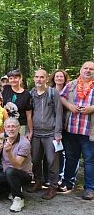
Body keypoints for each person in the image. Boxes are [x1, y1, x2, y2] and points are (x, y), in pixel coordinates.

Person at [59, 61, 94, 200]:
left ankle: (90, 188)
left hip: (89, 131)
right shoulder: (72, 84)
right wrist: (69, 105)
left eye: (91, 69)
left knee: (90, 160)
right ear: (81, 70)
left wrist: (92, 108)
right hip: (71, 129)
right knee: (71, 157)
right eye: (85, 68)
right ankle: (68, 183)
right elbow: (61, 97)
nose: (88, 70)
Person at [0, 118, 33, 212]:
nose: (11, 129)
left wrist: (9, 152)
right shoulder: (3, 139)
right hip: (5, 172)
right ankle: (11, 189)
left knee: (11, 171)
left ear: (18, 128)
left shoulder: (25, 143)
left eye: (13, 126)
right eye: (8, 127)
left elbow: (17, 164)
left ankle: (18, 198)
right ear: (5, 129)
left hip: (22, 174)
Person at [28, 69, 62, 200]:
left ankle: (52, 187)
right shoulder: (31, 94)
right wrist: (28, 132)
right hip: (35, 133)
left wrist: (57, 133)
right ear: (34, 78)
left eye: (42, 77)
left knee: (52, 161)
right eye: (36, 77)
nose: (39, 79)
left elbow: (58, 114)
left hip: (50, 134)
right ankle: (38, 182)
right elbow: (28, 115)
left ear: (47, 79)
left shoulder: (53, 93)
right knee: (35, 160)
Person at [48, 69, 70, 184]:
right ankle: (50, 177)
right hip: (52, 126)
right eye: (57, 76)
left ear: (65, 79)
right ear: (53, 78)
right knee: (52, 151)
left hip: (66, 125)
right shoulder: (49, 91)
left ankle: (61, 177)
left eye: (61, 76)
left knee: (63, 152)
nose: (59, 78)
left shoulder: (69, 91)